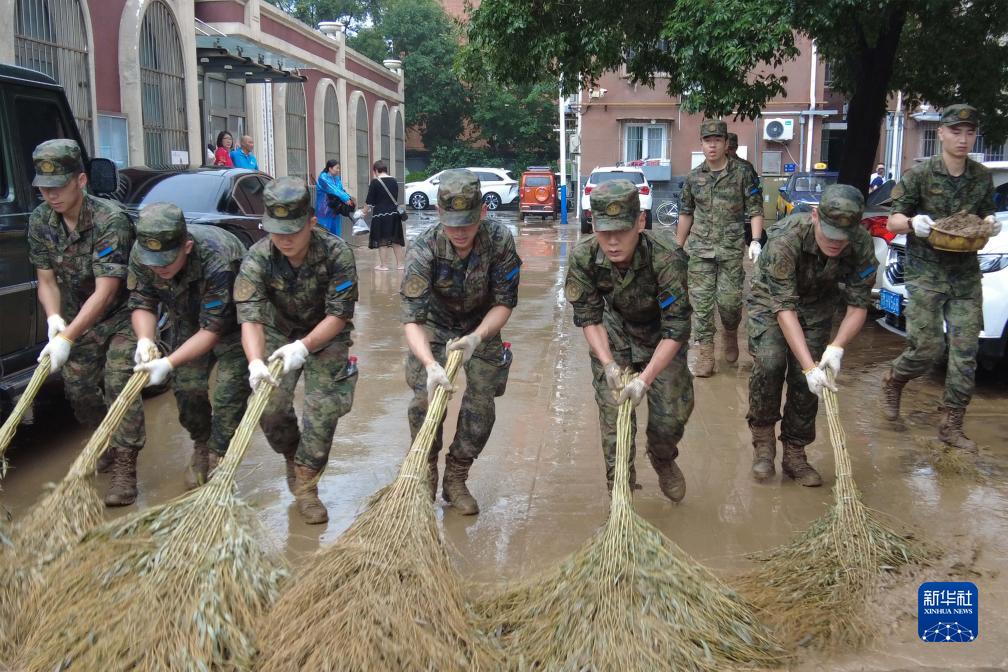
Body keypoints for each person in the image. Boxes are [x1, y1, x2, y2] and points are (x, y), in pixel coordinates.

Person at [233, 177, 359, 524]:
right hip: (277, 330)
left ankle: (306, 484)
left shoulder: (337, 253)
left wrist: (303, 347)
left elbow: (338, 314)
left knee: (323, 412)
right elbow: (251, 317)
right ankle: (293, 455)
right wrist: (255, 363)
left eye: (294, 229)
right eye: (277, 230)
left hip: (326, 335)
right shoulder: (257, 258)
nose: (285, 238)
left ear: (312, 223)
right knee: (268, 408)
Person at [27, 139, 144, 506]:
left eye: (58, 187)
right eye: (44, 189)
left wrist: (68, 336)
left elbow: (107, 290)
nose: (51, 196)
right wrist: (55, 320)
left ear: (80, 180)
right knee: (77, 387)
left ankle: (125, 467)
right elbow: (46, 279)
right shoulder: (41, 221)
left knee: (118, 381)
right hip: (80, 315)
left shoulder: (111, 220)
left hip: (123, 315)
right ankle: (103, 440)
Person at [400, 168, 521, 515]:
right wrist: (430, 364)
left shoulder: (499, 241)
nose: (460, 231)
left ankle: (456, 476)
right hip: (434, 327)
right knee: (424, 401)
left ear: (482, 211)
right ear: (439, 213)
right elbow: (412, 319)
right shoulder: (424, 248)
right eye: (452, 223)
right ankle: (424, 473)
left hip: (482, 325)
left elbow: (504, 302)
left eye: (467, 222)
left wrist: (476, 338)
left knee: (481, 403)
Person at [564, 179, 694, 501]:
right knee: (615, 428)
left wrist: (645, 380)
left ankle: (663, 458)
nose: (612, 241)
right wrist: (608, 364)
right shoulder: (584, 257)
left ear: (640, 222)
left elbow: (677, 327)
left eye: (621, 231)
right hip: (615, 337)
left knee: (670, 420)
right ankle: (621, 498)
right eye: (603, 230)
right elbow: (590, 318)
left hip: (661, 337)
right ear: (592, 222)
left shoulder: (667, 257)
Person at [881, 104, 999, 451]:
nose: (963, 138)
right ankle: (894, 379)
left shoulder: (980, 176)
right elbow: (893, 221)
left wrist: (991, 224)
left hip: (964, 276)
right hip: (926, 272)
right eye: (956, 131)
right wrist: (914, 223)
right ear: (942, 134)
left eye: (969, 132)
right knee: (928, 347)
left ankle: (951, 424)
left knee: (965, 351)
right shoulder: (920, 175)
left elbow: (984, 214)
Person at [746, 184, 877, 486]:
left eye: (842, 238)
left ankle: (795, 452)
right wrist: (807, 366)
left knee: (809, 385)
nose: (835, 243)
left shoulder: (860, 243)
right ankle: (763, 442)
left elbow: (858, 305)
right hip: (771, 301)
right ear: (816, 216)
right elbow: (784, 309)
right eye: (829, 234)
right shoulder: (786, 241)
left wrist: (837, 347)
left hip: (818, 305)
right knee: (770, 362)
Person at [127, 203, 251, 488]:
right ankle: (202, 446)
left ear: (187, 246)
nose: (158, 268)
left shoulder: (219, 257)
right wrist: (145, 339)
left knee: (229, 395)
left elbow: (213, 328)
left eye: (166, 261)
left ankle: (220, 456)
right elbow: (142, 302)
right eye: (152, 262)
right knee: (186, 388)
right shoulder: (143, 253)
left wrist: (168, 362)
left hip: (236, 324)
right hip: (187, 319)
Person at [676, 119, 764, 377]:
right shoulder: (694, 177)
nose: (712, 145)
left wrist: (756, 240)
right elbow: (685, 213)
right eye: (707, 140)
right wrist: (677, 248)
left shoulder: (743, 173)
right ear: (702, 144)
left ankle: (730, 331)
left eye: (717, 140)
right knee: (701, 305)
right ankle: (705, 354)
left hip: (729, 249)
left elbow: (756, 209)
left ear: (726, 144)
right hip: (700, 250)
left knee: (729, 303)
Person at [727, 131, 765, 246]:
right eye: (727, 148)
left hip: (743, 216)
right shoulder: (717, 166)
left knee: (758, 243)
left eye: (731, 148)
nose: (728, 152)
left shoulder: (745, 167)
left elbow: (756, 191)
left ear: (736, 148)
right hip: (723, 217)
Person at [365, 160, 405, 270]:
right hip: (394, 214)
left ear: (376, 170)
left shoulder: (375, 182)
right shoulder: (394, 180)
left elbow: (369, 201)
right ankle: (400, 265)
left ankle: (384, 265)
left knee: (382, 240)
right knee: (396, 240)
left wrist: (363, 212)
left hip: (380, 215)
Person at [315, 159, 354, 235]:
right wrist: (346, 198)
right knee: (324, 234)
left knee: (336, 234)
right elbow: (333, 189)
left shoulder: (337, 178)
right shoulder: (322, 178)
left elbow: (341, 190)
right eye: (337, 168)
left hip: (335, 209)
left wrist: (348, 198)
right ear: (330, 168)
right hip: (324, 211)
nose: (338, 170)